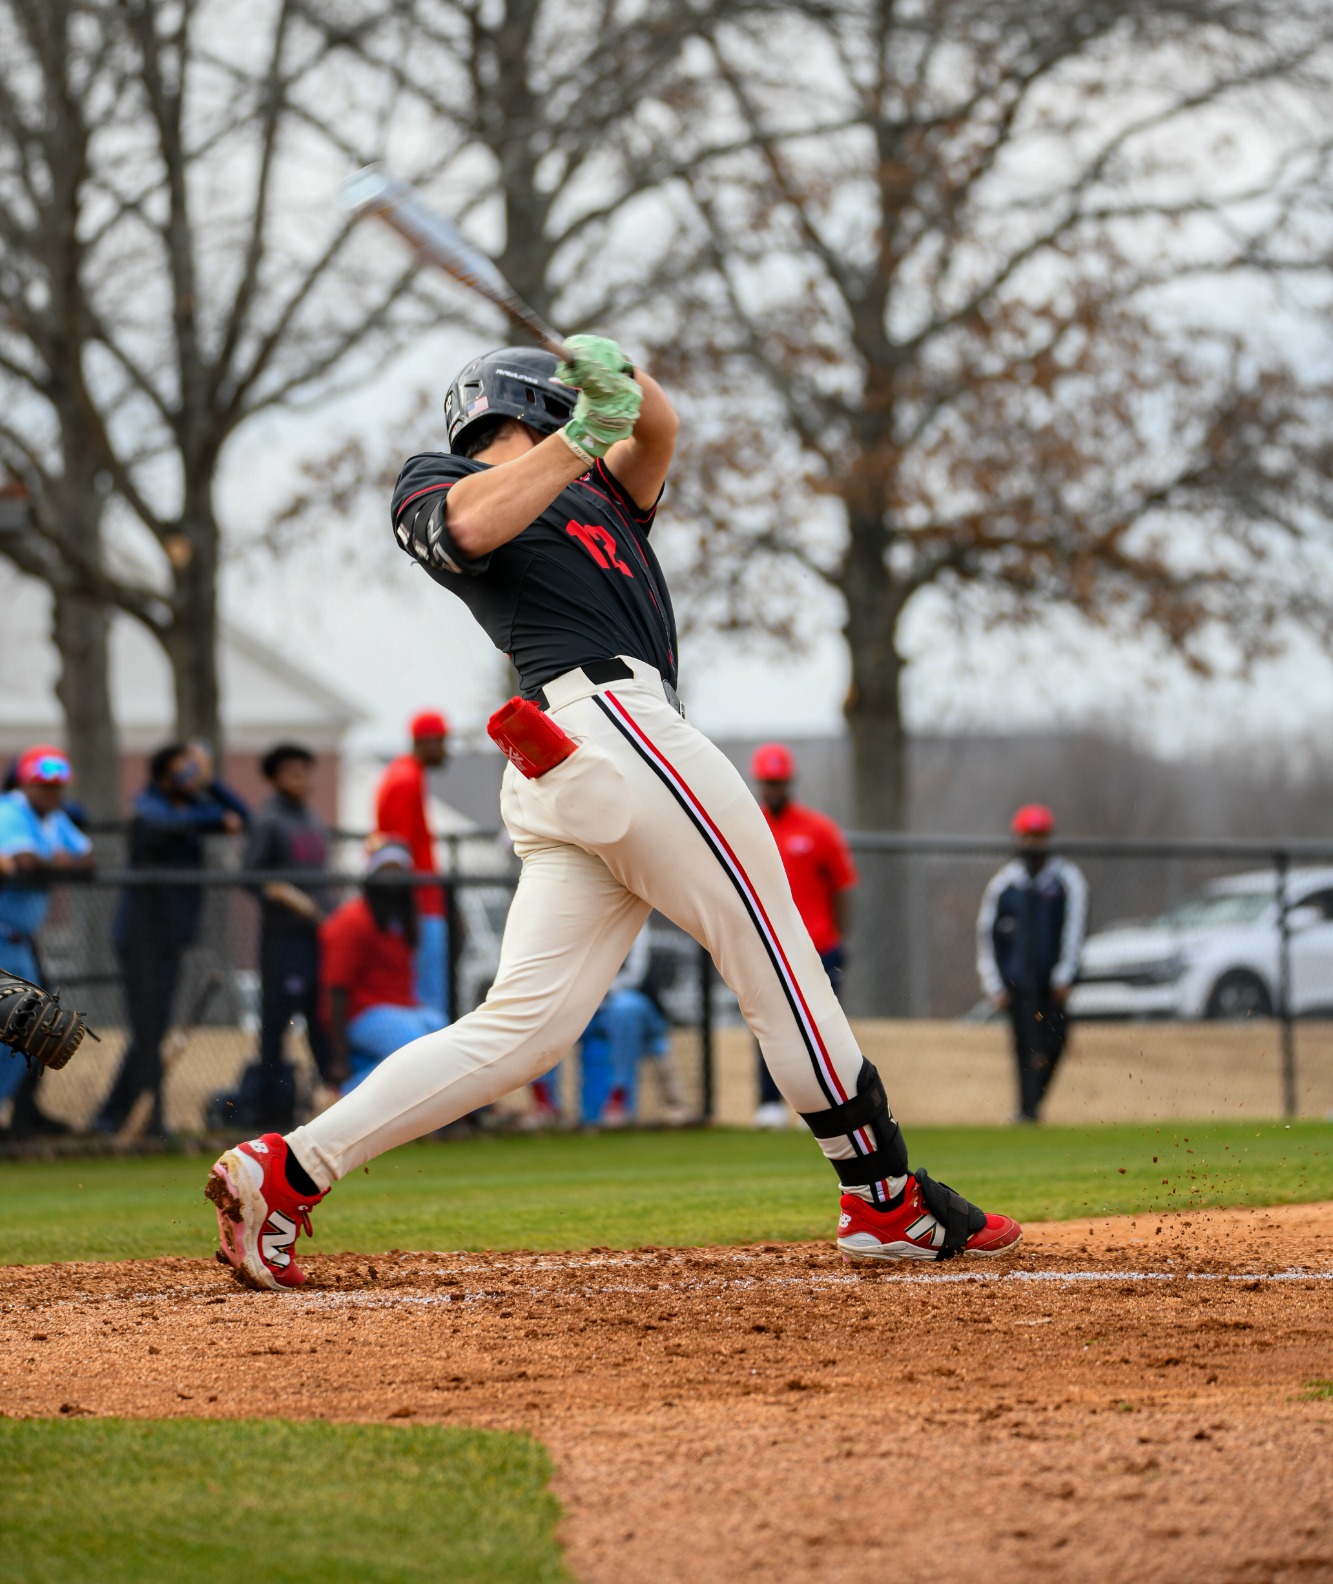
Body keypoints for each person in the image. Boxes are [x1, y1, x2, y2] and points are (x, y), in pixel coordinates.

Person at [208, 337, 1019, 1287]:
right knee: (775, 955)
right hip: (608, 729)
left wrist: (619, 372)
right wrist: (577, 431)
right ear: (538, 409)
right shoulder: (442, 475)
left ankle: (288, 1170)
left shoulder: (599, 493)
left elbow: (659, 427)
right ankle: (883, 1199)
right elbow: (466, 527)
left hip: (588, 761)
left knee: (525, 1030)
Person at [95, 741, 249, 1138]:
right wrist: (212, 817)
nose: (191, 776)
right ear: (166, 773)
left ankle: (116, 1112)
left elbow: (243, 817)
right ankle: (142, 1118)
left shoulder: (196, 806)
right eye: (185, 769)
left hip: (172, 937)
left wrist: (211, 783)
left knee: (154, 1029)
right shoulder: (150, 806)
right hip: (140, 936)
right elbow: (162, 824)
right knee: (148, 1028)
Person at [748, 742, 858, 1130]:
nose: (773, 788)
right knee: (771, 1025)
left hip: (820, 947)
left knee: (825, 1027)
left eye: (779, 781)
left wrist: (838, 939)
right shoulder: (749, 826)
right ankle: (769, 1104)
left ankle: (830, 1103)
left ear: (788, 781)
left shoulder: (819, 829)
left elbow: (843, 887)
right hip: (771, 948)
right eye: (767, 782)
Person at [0, 747, 93, 1135]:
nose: (52, 793)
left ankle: (11, 1114)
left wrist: (46, 859)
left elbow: (88, 862)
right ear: (24, 782)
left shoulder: (53, 819)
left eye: (57, 786)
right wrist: (54, 860)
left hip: (20, 942)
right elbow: (23, 863)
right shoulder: (9, 811)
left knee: (29, 1032)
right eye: (43, 785)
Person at [976, 803, 1088, 1124]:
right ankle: (1028, 1112)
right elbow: (987, 935)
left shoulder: (1067, 880)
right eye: (1028, 835)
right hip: (1017, 984)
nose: (1033, 843)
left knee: (1055, 1040)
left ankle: (1031, 1103)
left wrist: (1066, 974)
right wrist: (994, 983)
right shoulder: (1004, 885)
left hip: (1053, 984)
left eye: (1039, 835)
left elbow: (1074, 929)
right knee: (1025, 1047)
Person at [244, 743, 334, 1125]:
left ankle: (328, 1096)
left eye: (305, 771)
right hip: (283, 940)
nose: (302, 780)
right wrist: (289, 896)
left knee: (320, 1017)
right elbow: (251, 875)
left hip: (317, 936)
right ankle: (271, 1108)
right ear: (276, 778)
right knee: (277, 1023)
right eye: (293, 772)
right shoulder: (269, 821)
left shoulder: (311, 819)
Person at [319, 840, 446, 1093]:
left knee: (448, 1034)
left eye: (400, 870)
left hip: (406, 1007)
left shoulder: (406, 917)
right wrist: (339, 1058)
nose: (394, 879)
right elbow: (336, 991)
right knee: (415, 1046)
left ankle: (463, 1114)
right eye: (387, 870)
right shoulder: (353, 920)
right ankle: (345, 1094)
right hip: (364, 1012)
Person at [375, 712, 450, 1018]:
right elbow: (399, 852)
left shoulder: (404, 773)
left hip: (420, 902)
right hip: (419, 905)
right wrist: (410, 909)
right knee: (428, 1002)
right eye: (442, 742)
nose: (446, 750)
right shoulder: (406, 778)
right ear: (425, 742)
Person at [579, 926, 686, 1128]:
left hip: (631, 1008)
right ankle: (545, 1105)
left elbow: (635, 975)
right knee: (542, 1009)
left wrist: (596, 994)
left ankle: (618, 1099)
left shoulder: (637, 922)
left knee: (626, 1010)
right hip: (583, 1006)